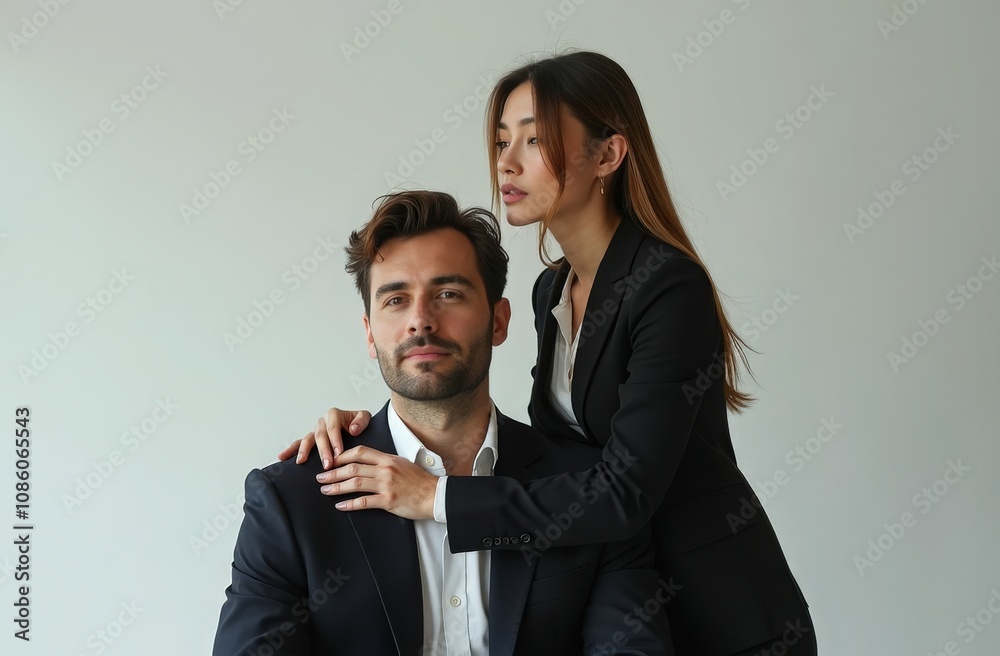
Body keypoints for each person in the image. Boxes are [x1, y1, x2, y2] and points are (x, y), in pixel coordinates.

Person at [281, 51, 816, 655]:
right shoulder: (552, 290)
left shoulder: (668, 287)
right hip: (614, 591)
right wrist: (371, 428)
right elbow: (556, 457)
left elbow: (625, 490)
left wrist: (435, 497)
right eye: (502, 141)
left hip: (719, 613)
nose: (506, 162)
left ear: (607, 155)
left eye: (534, 141)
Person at [213, 190, 672, 656]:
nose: (421, 321)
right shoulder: (292, 499)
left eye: (448, 294)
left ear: (498, 321)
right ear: (370, 334)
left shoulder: (588, 488)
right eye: (396, 300)